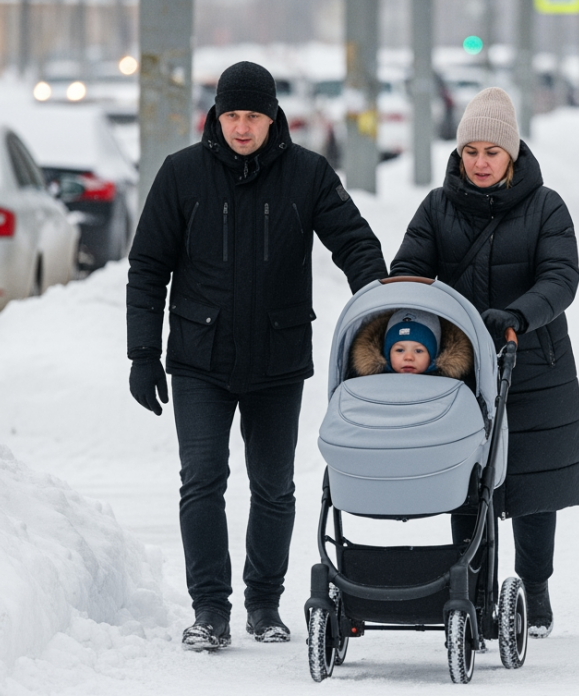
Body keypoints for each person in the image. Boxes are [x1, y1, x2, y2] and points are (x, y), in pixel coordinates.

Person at [125, 61, 388, 650]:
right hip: (199, 358)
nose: (242, 127)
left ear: (274, 118)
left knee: (273, 487)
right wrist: (142, 353)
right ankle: (210, 609)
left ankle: (264, 605)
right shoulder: (181, 174)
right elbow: (147, 268)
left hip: (277, 357)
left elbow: (355, 244)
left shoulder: (307, 174)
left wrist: (380, 314)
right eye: (232, 115)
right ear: (216, 115)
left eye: (253, 116)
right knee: (202, 481)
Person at [390, 87, 579, 638]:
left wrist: (518, 315)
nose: (479, 162)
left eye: (491, 152)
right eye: (470, 151)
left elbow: (561, 277)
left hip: (534, 361)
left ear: (511, 154)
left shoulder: (546, 207)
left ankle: (535, 588)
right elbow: (409, 271)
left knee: (533, 482)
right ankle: (470, 587)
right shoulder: (436, 207)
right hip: (461, 369)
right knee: (466, 479)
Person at [350, 308, 474, 378]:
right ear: (387, 353)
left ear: (434, 355)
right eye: (400, 350)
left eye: (418, 351)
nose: (408, 357)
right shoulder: (369, 380)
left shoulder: (451, 383)